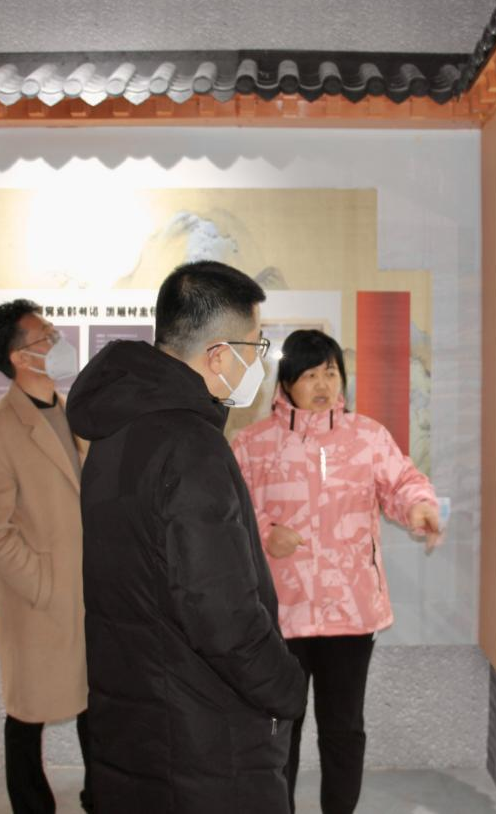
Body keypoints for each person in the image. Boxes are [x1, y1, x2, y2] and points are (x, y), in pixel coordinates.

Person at [66, 261, 306, 814]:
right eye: (254, 347)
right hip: (203, 741)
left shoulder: (116, 432)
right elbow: (220, 614)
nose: (258, 362)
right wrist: (287, 687)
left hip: (138, 719)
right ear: (219, 355)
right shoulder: (189, 445)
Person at [230, 329, 443, 814]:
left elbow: (403, 482)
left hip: (351, 612)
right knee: (279, 728)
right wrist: (265, 532)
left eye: (330, 372)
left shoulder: (367, 436)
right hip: (280, 615)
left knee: (343, 729)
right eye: (309, 375)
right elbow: (227, 511)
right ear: (286, 383)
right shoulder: (253, 445)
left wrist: (419, 507)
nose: (323, 384)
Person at [0, 300, 90, 814]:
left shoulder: (73, 411)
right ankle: (31, 805)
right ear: (20, 357)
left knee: (94, 705)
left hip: (88, 591)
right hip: (41, 601)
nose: (59, 343)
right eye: (47, 337)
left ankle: (100, 794)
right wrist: (45, 584)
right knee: (28, 713)